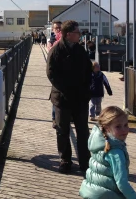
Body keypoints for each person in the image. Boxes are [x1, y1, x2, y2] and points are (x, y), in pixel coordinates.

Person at [47, 20, 93, 174]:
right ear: (68, 34)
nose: (80, 35)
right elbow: (51, 74)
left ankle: (85, 162)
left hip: (80, 98)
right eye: (77, 33)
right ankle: (65, 160)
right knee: (62, 130)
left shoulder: (80, 51)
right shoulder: (56, 51)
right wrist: (65, 89)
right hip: (62, 98)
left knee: (83, 131)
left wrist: (86, 90)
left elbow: (88, 72)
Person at [80, 106, 136, 199]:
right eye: (118, 126)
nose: (124, 130)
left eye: (126, 125)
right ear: (107, 128)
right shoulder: (116, 152)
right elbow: (122, 183)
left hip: (92, 191)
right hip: (106, 195)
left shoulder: (99, 142)